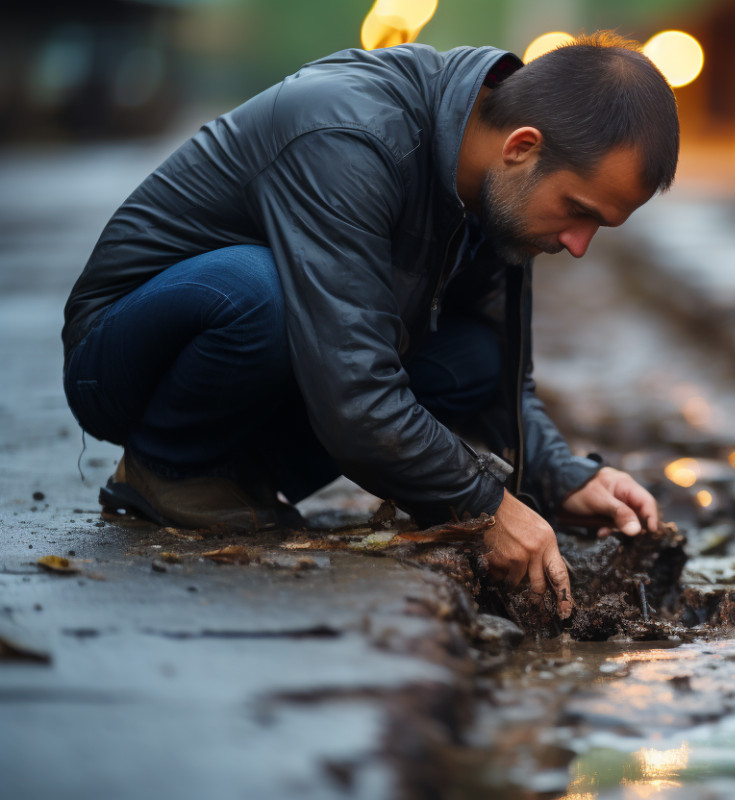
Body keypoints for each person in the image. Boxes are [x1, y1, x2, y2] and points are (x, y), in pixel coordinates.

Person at [60, 32, 680, 619]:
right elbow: (354, 390)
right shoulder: (348, 135)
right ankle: (168, 467)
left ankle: (244, 476)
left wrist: (562, 477)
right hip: (121, 360)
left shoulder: (496, 185)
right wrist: (485, 506)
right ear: (522, 147)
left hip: (282, 362)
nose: (578, 245)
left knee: (474, 357)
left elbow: (501, 376)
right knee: (263, 293)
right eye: (578, 212)